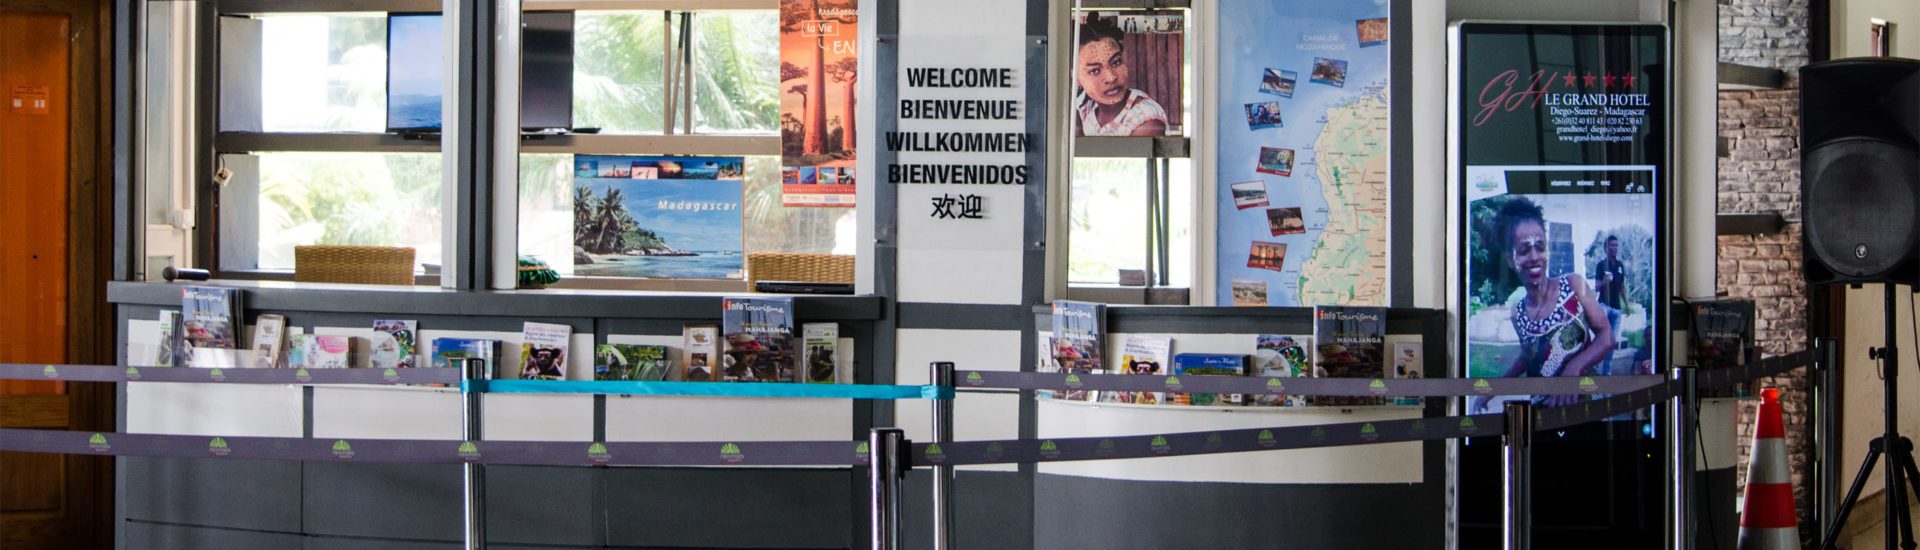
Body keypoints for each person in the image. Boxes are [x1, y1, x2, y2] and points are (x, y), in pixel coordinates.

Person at [1495, 198, 1615, 407]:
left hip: (1588, 409)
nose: (1535, 257)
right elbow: (1528, 355)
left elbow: (1607, 337)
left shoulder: (1575, 286)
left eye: (1540, 247)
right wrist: (1492, 390)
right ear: (1509, 260)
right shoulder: (1518, 313)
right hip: (1543, 416)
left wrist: (1575, 367)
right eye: (1524, 251)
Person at [1074, 15, 1168, 137]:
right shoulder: (1083, 106)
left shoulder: (1146, 119)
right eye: (1095, 71)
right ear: (1075, 76)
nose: (1111, 77)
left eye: (1116, 62)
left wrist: (1077, 132)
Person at [1594, 235, 1627, 311]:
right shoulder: (1601, 265)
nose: (1615, 248)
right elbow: (1597, 288)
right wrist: (1604, 282)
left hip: (1617, 308)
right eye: (1612, 245)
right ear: (1606, 249)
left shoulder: (1620, 265)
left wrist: (1626, 305)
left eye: (1616, 245)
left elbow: (1621, 287)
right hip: (1604, 306)